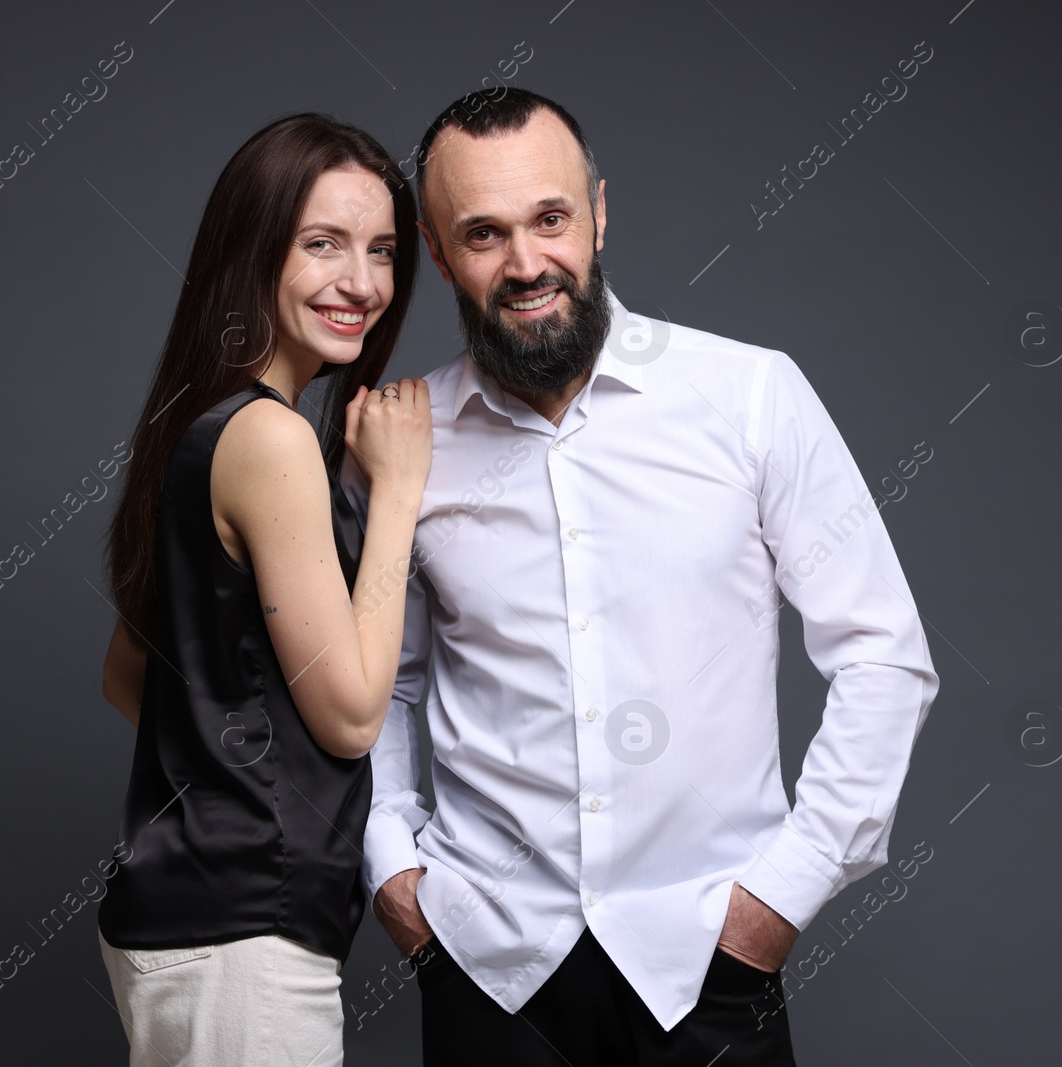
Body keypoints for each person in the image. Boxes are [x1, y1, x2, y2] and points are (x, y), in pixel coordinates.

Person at [343, 87, 940, 1065]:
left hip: (709, 967)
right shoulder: (399, 439)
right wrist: (394, 875)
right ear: (437, 250)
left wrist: (774, 902)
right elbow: (382, 683)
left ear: (600, 211)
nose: (527, 262)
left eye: (550, 217)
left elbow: (884, 656)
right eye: (483, 233)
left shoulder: (748, 396)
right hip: (486, 967)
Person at [94, 112, 431, 1067]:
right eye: (321, 243)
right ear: (252, 248)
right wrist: (398, 491)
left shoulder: (198, 423)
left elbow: (130, 675)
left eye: (381, 250)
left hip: (185, 926)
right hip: (241, 940)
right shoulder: (273, 439)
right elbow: (353, 715)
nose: (360, 283)